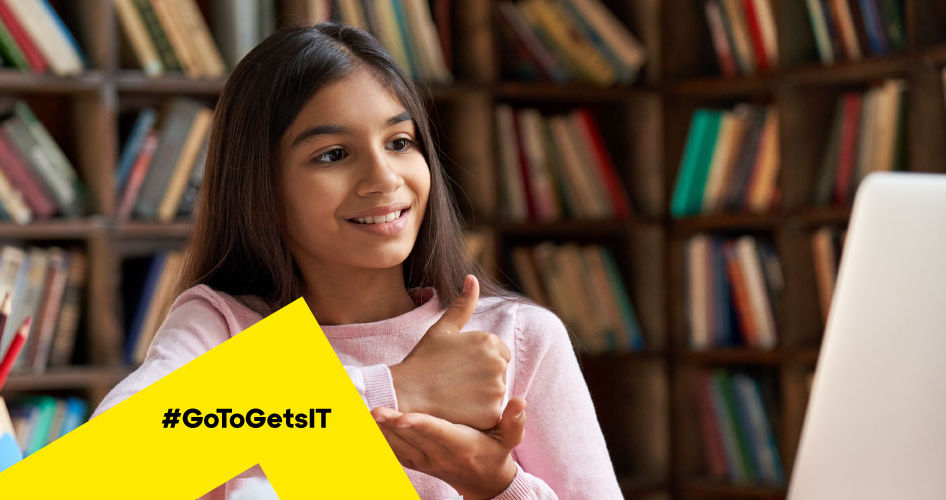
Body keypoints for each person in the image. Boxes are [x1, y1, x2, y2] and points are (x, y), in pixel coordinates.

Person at [93, 23, 621, 499]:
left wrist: (497, 486)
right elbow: (103, 474)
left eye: (399, 142)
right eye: (333, 154)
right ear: (261, 187)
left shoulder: (518, 339)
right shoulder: (222, 328)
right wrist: (399, 386)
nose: (384, 178)